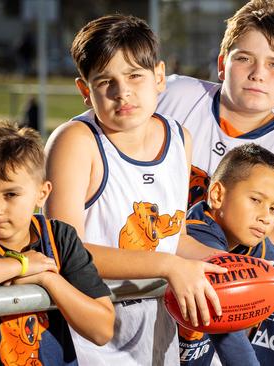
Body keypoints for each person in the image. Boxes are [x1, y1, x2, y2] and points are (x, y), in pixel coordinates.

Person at [44, 14, 227, 365]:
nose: (122, 91)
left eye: (134, 76)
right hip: (89, 344)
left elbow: (172, 238)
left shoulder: (178, 138)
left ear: (159, 77)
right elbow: (65, 251)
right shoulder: (76, 142)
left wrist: (218, 262)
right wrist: (168, 266)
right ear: (85, 91)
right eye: (104, 81)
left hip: (155, 337)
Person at [155, 0, 274, 273]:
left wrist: (230, 226)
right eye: (244, 58)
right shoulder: (175, 95)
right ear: (222, 64)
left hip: (214, 293)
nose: (258, 74)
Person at [0, 121, 115, 365]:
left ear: (42, 193)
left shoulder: (58, 237)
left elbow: (102, 329)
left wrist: (48, 279)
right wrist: (23, 264)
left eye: (11, 194)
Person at [178, 144, 274, 366]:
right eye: (256, 200)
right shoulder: (196, 237)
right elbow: (225, 319)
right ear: (217, 194)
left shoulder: (255, 245)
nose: (265, 217)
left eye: (273, 209)